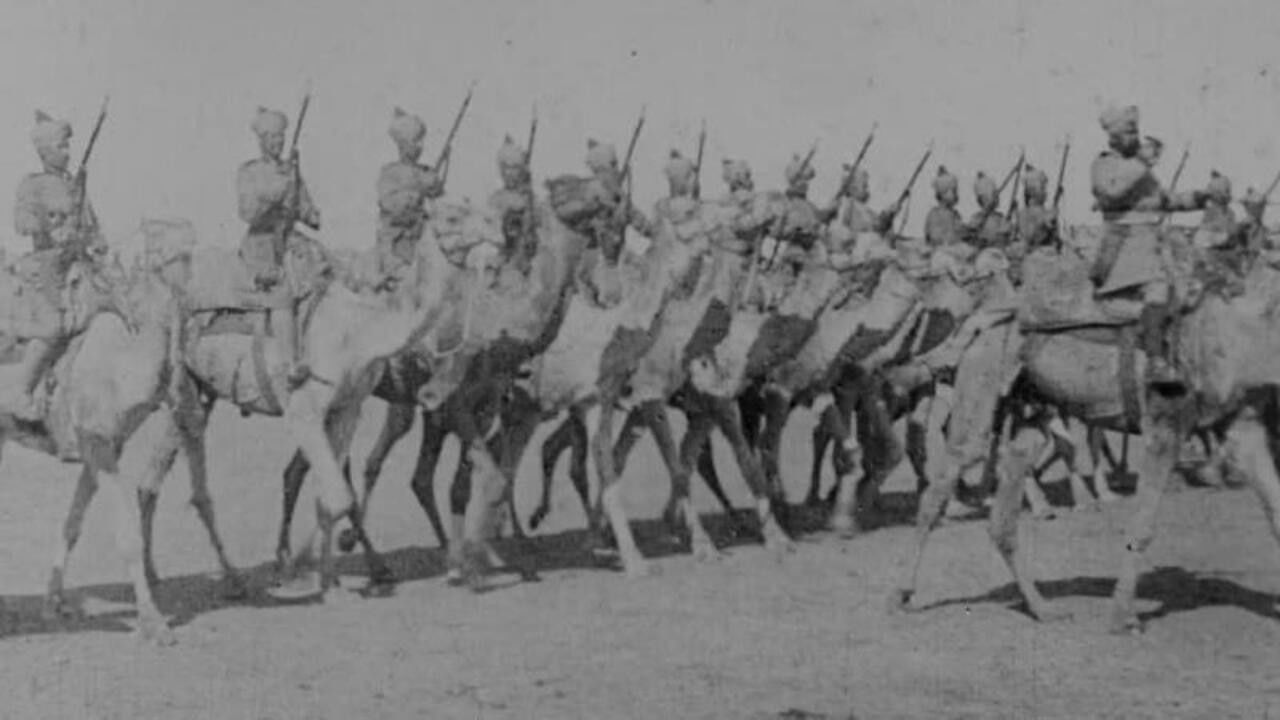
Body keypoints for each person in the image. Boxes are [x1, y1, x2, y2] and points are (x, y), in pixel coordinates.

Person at [1089, 104, 1209, 390]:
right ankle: (1155, 361)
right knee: (1158, 288)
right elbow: (1112, 190)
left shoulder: (1139, 170)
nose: (1136, 137)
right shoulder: (1105, 164)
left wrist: (1200, 197)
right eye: (1130, 132)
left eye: (1136, 131)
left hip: (1151, 250)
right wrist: (1142, 164)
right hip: (1121, 251)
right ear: (1114, 137)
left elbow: (1165, 201)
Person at [1, 111, 106, 420]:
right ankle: (21, 392)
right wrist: (51, 220)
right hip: (46, 265)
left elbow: (91, 223)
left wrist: (97, 241)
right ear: (45, 151)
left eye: (67, 146)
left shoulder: (75, 184)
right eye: (61, 147)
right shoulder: (32, 184)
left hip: (79, 262)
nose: (67, 152)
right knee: (53, 327)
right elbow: (22, 223)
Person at [237, 106, 321, 387]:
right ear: (261, 139)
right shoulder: (249, 172)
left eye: (280, 137)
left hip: (291, 241)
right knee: (282, 294)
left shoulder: (291, 171)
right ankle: (289, 364)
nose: (277, 142)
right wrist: (275, 192)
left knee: (323, 278)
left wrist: (310, 212)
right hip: (261, 246)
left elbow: (307, 210)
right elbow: (248, 213)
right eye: (271, 137)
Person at [377, 107, 446, 277]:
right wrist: (418, 190)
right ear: (402, 144)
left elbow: (440, 202)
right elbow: (391, 206)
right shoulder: (390, 173)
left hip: (426, 240)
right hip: (398, 245)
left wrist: (436, 185)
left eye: (422, 140)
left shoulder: (426, 171)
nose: (421, 146)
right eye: (416, 141)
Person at [487, 135, 535, 274]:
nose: (509, 173)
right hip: (500, 258)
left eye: (514, 168)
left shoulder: (530, 198)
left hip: (523, 261)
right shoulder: (495, 199)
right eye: (506, 168)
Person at [839, 167, 900, 236]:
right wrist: (888, 214)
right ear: (853, 189)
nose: (867, 190)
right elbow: (874, 227)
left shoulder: (857, 207)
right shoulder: (852, 206)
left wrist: (888, 216)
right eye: (864, 186)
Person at [964, 171, 1013, 250]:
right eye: (993, 194)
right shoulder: (976, 219)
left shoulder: (1000, 219)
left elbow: (1004, 238)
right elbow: (971, 238)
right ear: (981, 199)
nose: (997, 197)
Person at [924, 166, 965, 248]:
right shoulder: (934, 214)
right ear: (943, 194)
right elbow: (935, 237)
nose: (956, 195)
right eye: (953, 191)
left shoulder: (956, 214)